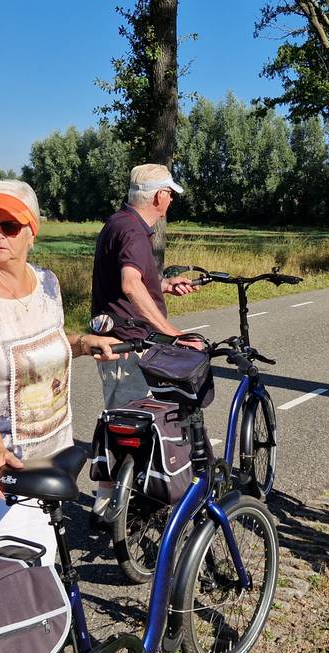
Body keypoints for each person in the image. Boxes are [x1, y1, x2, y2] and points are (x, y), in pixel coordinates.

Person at [0, 179, 122, 565]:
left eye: (9, 225)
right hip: (1, 462)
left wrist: (82, 343)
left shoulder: (47, 284)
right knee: (15, 570)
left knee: (45, 561)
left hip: (52, 449)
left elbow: (46, 343)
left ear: (31, 232)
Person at [87, 163, 198, 522]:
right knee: (129, 428)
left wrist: (163, 285)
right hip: (127, 344)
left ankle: (108, 506)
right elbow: (130, 285)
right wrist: (171, 331)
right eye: (170, 196)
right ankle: (112, 512)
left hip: (116, 338)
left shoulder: (120, 223)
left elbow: (135, 280)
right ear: (159, 197)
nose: (171, 203)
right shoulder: (134, 232)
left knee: (122, 423)